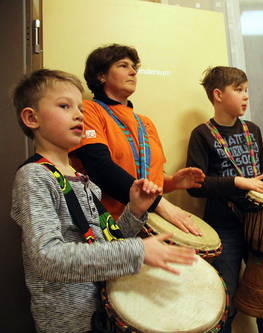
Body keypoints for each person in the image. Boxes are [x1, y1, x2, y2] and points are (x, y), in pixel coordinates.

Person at [10, 69, 197, 333]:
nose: (79, 114)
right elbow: (47, 258)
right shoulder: (34, 177)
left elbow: (104, 242)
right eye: (65, 106)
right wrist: (138, 251)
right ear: (32, 117)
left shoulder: (82, 178)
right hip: (68, 322)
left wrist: (134, 210)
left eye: (80, 109)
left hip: (104, 310)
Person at [186, 66, 263, 333]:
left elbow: (256, 180)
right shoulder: (202, 134)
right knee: (226, 297)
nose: (246, 96)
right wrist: (236, 182)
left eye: (247, 90)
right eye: (239, 90)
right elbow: (195, 186)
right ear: (218, 95)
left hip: (258, 224)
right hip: (224, 227)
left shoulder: (252, 130)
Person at [70, 44, 204, 235]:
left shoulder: (145, 123)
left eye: (134, 67)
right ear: (101, 75)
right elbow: (99, 167)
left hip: (150, 225)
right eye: (123, 66)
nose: (133, 72)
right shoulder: (89, 111)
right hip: (108, 229)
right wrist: (160, 204)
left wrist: (172, 182)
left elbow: (146, 180)